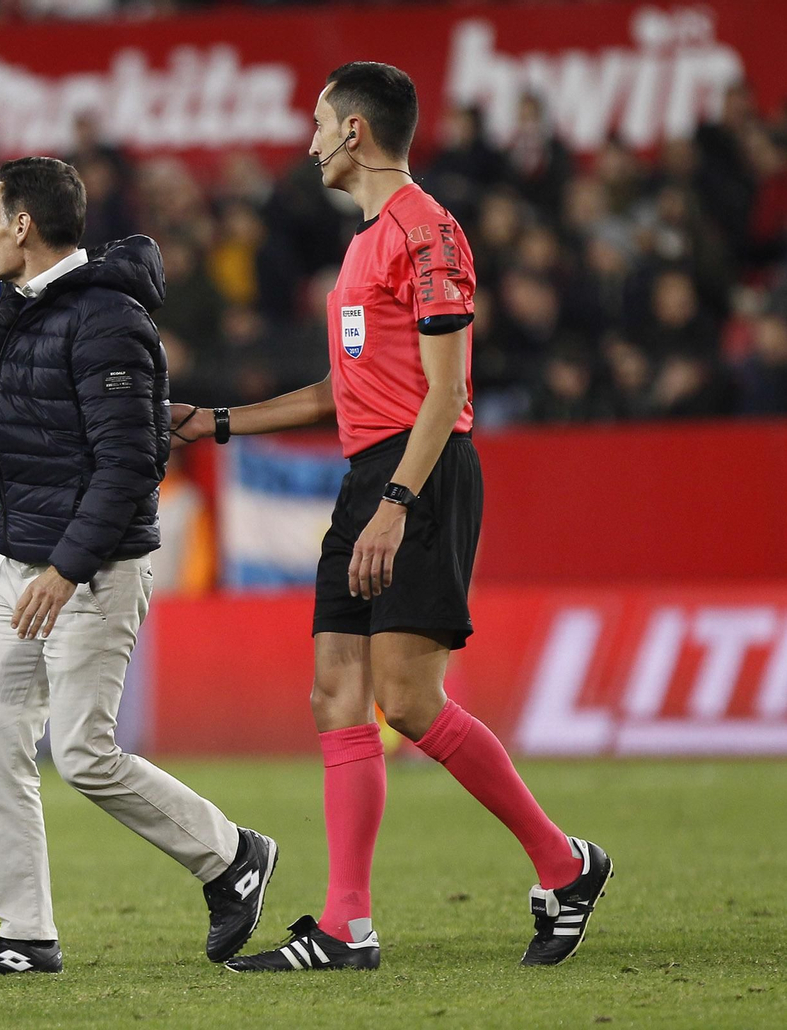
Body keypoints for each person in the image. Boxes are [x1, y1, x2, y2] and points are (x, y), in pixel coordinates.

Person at [173, 62, 610, 972]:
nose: (309, 141)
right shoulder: (365, 243)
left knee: (407, 701)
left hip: (422, 475)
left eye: (318, 122)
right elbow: (349, 390)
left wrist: (398, 505)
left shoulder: (428, 232)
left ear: (354, 135)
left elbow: (445, 392)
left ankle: (564, 864)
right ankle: (346, 927)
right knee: (335, 691)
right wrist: (215, 422)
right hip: (368, 473)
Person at [0, 158, 278, 977]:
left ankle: (233, 855)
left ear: (23, 225)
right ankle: (24, 935)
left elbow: (128, 464)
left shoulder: (109, 320)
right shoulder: (16, 310)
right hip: (24, 566)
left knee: (83, 752)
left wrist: (65, 566)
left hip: (89, 574)